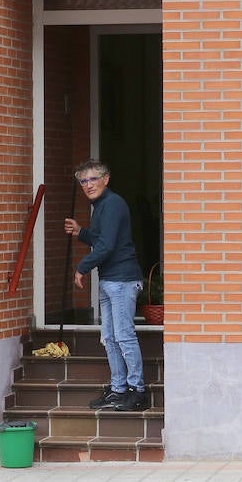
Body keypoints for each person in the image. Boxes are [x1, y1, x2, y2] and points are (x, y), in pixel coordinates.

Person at [64, 159, 147, 412]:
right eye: (83, 181)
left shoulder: (112, 204)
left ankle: (137, 391)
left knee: (123, 335)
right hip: (110, 279)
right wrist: (82, 232)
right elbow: (103, 239)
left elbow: (107, 246)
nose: (88, 185)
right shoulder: (100, 206)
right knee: (110, 338)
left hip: (122, 280)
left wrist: (82, 267)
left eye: (93, 179)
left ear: (106, 179)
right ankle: (118, 389)